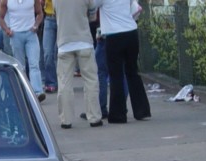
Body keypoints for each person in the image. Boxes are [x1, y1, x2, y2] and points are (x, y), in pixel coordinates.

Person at [93, 0, 150, 123]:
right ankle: (142, 110)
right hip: (131, 31)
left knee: (116, 75)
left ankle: (118, 114)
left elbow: (92, 6)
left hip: (114, 35)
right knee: (133, 72)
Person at [53, 0, 102, 129]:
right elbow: (93, 11)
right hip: (84, 40)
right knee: (90, 80)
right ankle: (94, 117)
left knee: (64, 82)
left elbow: (54, 12)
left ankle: (66, 120)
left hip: (64, 42)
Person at [0, 0, 46, 102]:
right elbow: (1, 18)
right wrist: (7, 30)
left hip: (31, 34)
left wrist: (36, 25)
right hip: (16, 35)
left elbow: (40, 13)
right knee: (20, 66)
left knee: (34, 64)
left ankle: (37, 92)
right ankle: (23, 93)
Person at [42, 0, 57, 93]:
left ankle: (62, 81)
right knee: (47, 53)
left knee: (61, 53)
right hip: (49, 17)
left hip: (63, 17)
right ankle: (51, 82)